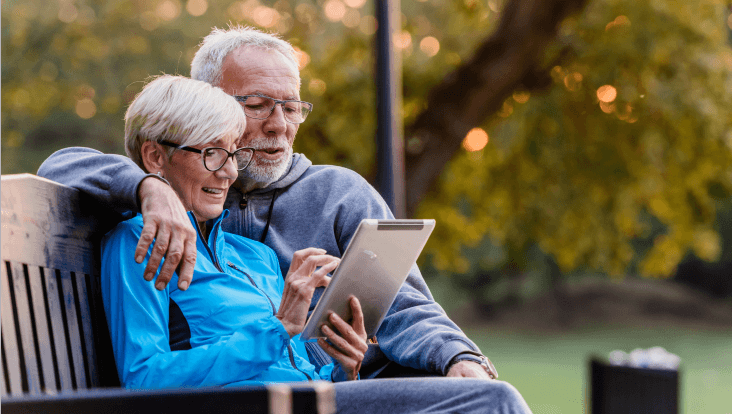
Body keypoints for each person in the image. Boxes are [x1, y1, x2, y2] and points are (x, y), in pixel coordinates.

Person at [38, 25, 493, 380]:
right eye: (257, 105)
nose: (279, 125)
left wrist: (457, 358)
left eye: (291, 106)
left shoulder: (336, 195)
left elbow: (405, 305)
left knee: (484, 395)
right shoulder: (178, 187)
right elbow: (62, 165)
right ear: (212, 107)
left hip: (353, 385)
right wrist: (148, 188)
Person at [104, 74, 532, 414]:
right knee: (490, 404)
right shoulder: (137, 244)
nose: (228, 173)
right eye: (211, 154)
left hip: (308, 402)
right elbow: (144, 379)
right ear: (155, 157)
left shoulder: (253, 255)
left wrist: (341, 363)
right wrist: (279, 328)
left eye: (231, 153)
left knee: (485, 397)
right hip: (255, 408)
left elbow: (299, 364)